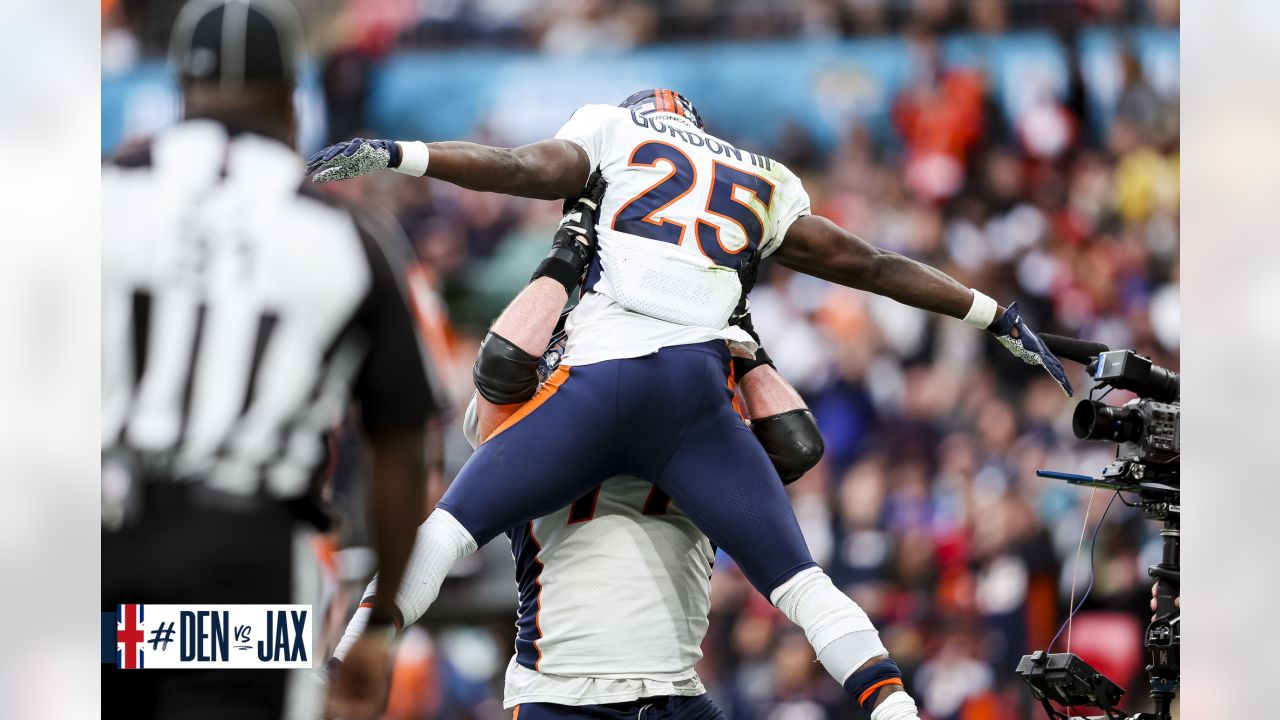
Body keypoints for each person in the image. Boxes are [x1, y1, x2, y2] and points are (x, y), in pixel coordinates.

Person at [306, 88, 1073, 720]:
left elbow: (522, 178)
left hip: (602, 394)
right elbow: (861, 264)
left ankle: (338, 674)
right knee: (803, 584)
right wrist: (988, 312)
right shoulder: (759, 181)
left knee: (440, 533)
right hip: (689, 390)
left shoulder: (608, 142)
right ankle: (894, 707)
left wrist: (409, 155)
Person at [327, 177, 824, 720]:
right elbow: (495, 384)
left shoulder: (697, 374)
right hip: (564, 689)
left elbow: (794, 450)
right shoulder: (558, 384)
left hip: (674, 688)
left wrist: (738, 330)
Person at [101, 1, 443, 717]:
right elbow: (404, 447)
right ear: (293, 95)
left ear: (179, 90)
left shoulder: (99, 191)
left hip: (97, 539)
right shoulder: (347, 232)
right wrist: (379, 626)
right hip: (239, 554)